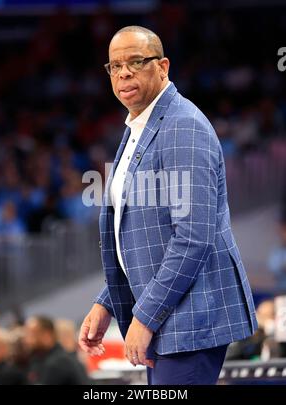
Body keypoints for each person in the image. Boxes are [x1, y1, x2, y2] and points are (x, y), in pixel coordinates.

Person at [79, 26, 258, 385]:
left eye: (136, 62)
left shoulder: (181, 127)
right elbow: (144, 239)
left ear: (163, 66)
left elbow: (192, 236)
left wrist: (144, 318)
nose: (124, 73)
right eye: (115, 66)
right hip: (170, 318)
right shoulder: (139, 127)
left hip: (189, 321)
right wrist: (107, 303)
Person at [24, 316, 87, 385]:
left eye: (31, 335)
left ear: (46, 335)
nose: (27, 340)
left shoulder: (58, 363)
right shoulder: (37, 361)